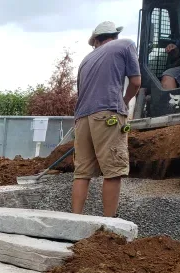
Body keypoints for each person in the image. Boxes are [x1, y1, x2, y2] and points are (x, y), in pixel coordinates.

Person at [71, 21, 141, 217]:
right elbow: (136, 82)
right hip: (107, 113)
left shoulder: (85, 60)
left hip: (82, 119)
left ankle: (75, 220)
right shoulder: (125, 45)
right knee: (113, 170)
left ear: (96, 41)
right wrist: (125, 101)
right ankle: (109, 224)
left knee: (82, 173)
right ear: (114, 36)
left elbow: (81, 92)